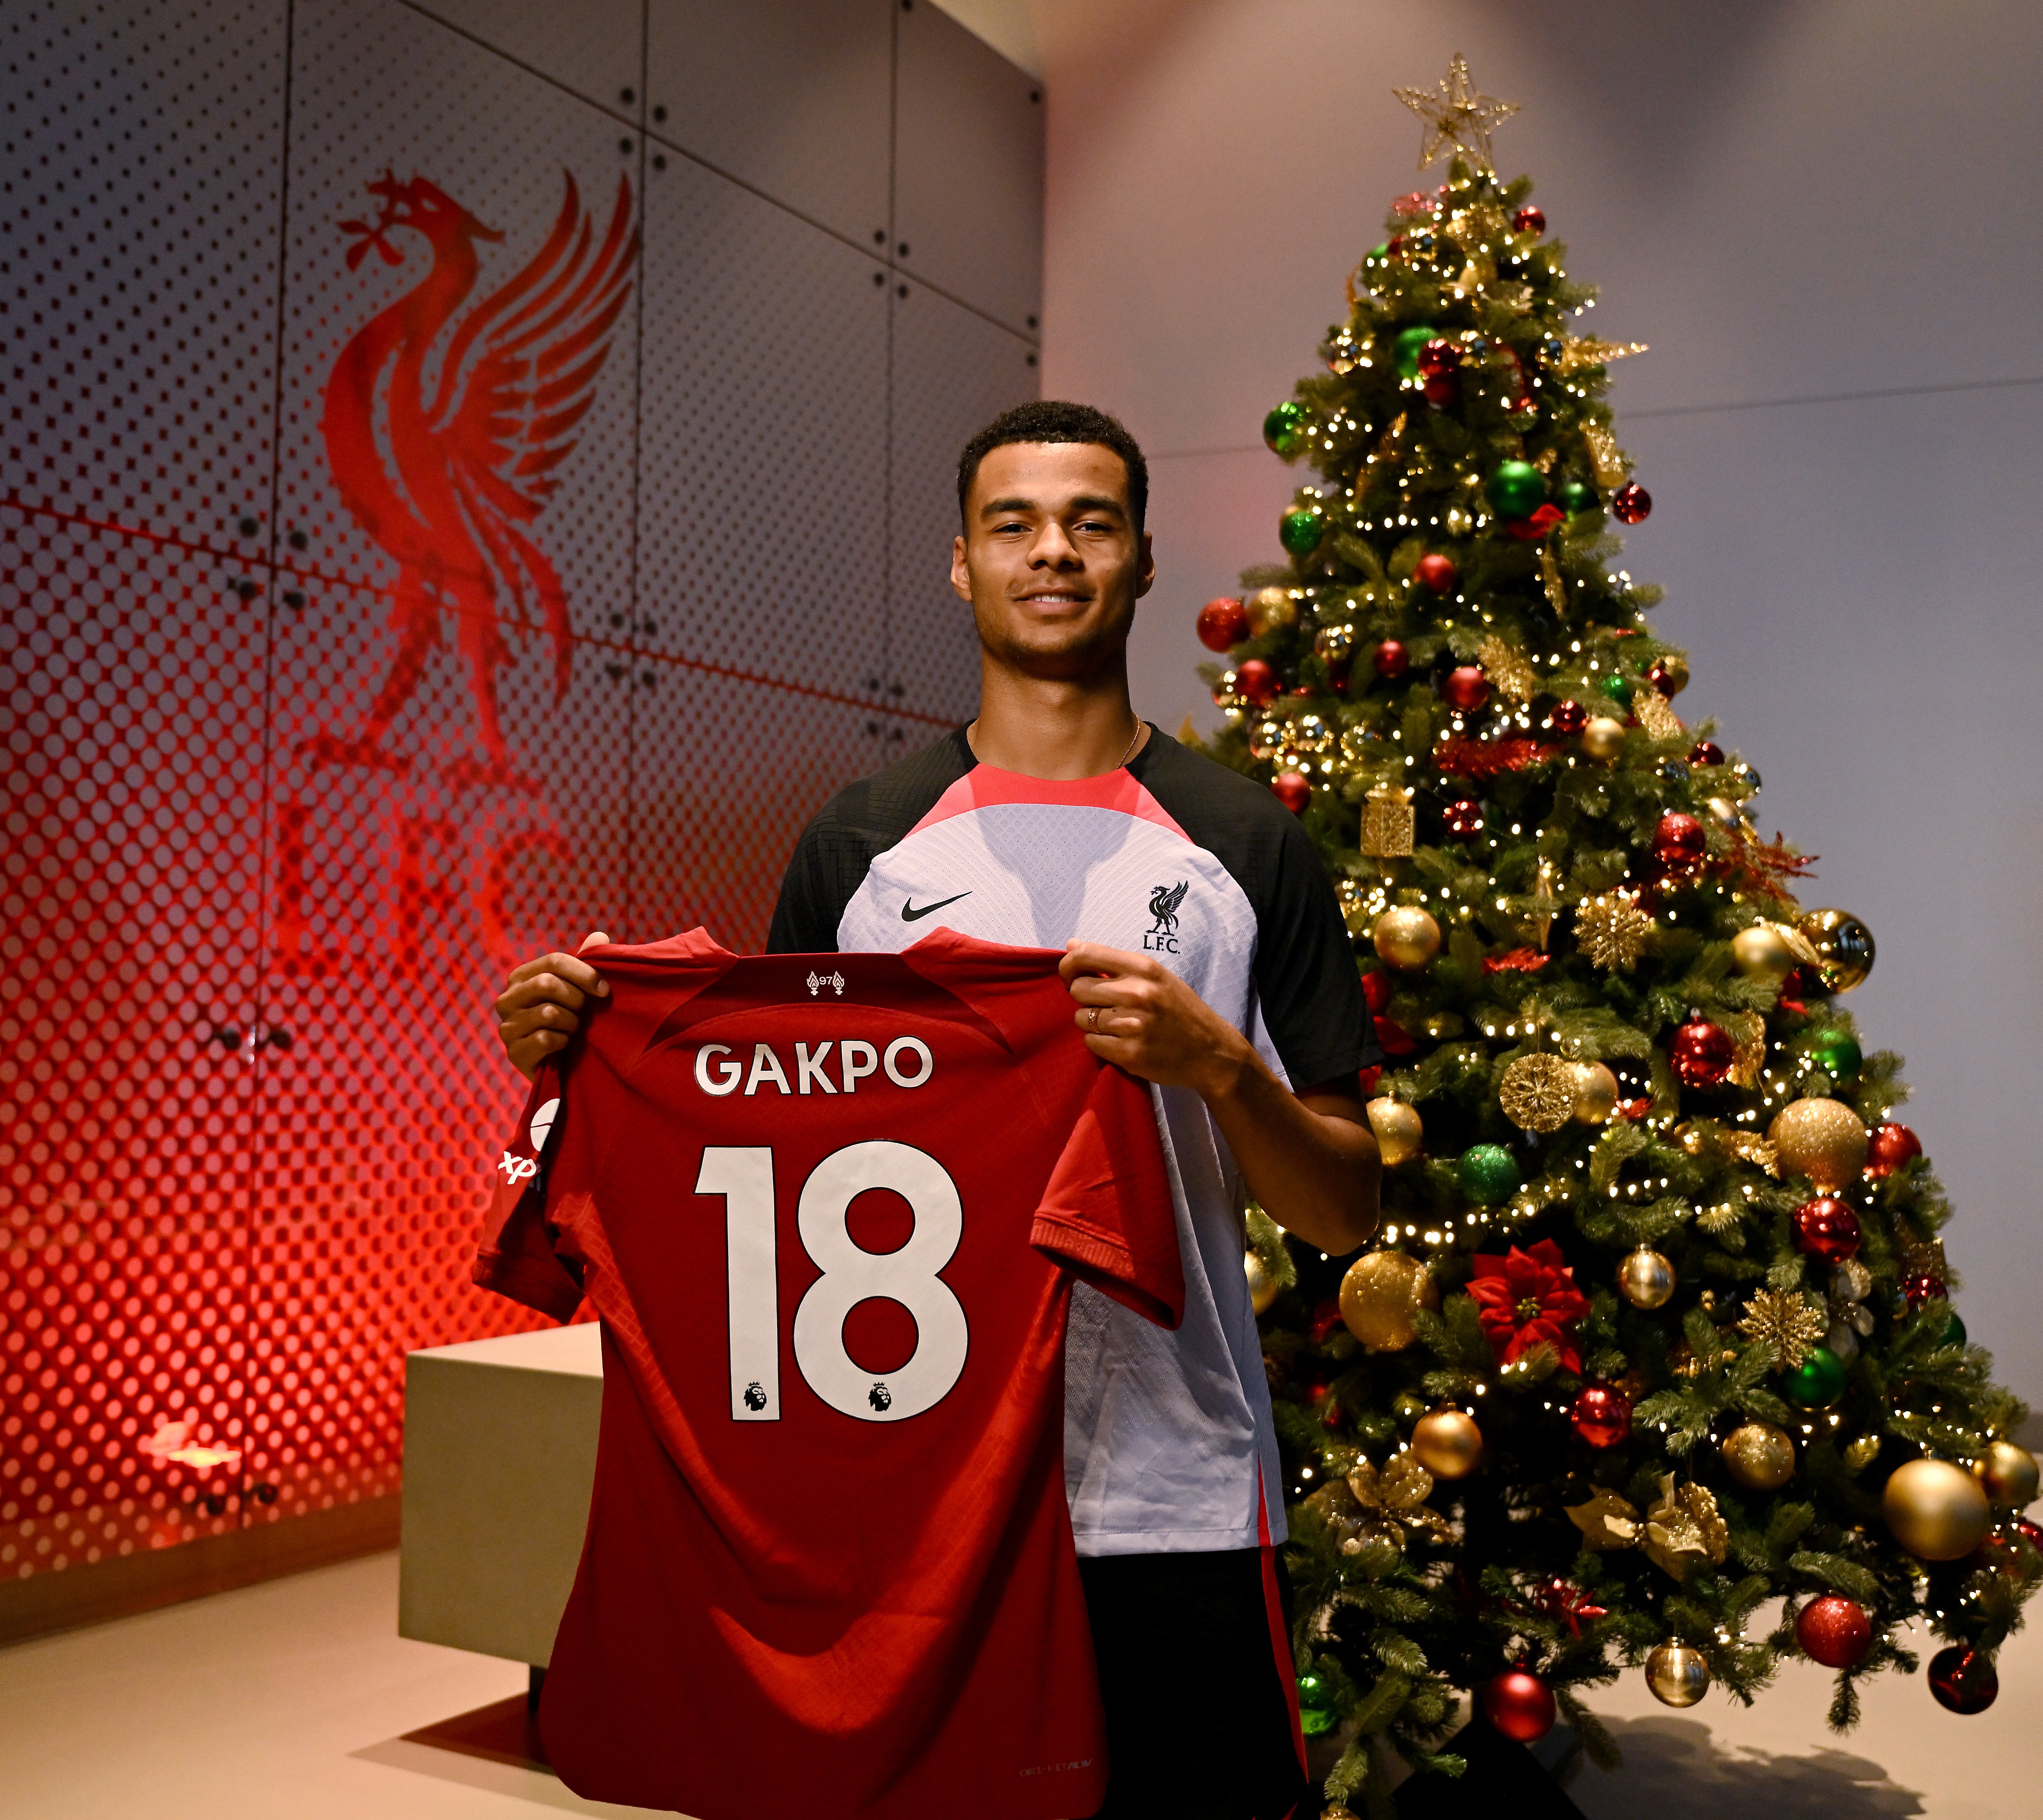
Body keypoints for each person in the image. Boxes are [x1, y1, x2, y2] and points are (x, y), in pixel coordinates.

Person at [492, 400, 1381, 1819]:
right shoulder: (860, 839)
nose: (1054, 553)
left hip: (1169, 1493)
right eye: (1014, 524)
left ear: (1145, 559)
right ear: (962, 564)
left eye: (1092, 522)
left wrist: (1220, 1068)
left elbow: (1348, 1203)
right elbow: (769, 1161)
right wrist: (584, 1043)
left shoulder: (1244, 837)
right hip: (912, 1501)